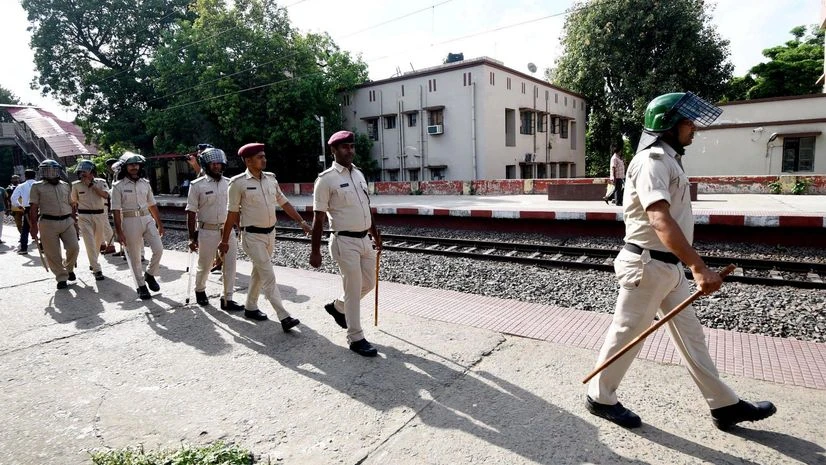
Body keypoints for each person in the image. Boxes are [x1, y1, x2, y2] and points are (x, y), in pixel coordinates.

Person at [585, 92, 776, 431]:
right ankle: (600, 398)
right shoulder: (652, 161)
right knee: (628, 334)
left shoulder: (670, 160)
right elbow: (659, 218)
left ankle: (723, 404)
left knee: (692, 338)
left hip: (668, 267)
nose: (694, 129)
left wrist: (686, 264)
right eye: (688, 122)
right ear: (667, 124)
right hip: (646, 265)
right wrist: (699, 267)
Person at [219, 143, 309, 331]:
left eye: (264, 156)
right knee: (268, 275)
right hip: (251, 236)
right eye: (260, 157)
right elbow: (232, 214)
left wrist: (301, 222)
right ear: (248, 160)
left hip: (270, 234)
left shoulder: (271, 179)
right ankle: (284, 316)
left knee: (259, 272)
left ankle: (250, 307)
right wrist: (225, 240)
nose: (264, 159)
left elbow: (284, 203)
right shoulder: (237, 183)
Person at [309, 130, 383, 357]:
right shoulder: (326, 180)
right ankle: (356, 337)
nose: (349, 150)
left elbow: (365, 208)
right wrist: (315, 251)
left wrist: (375, 234)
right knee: (353, 288)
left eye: (351, 146)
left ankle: (338, 307)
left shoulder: (359, 174)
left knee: (368, 283)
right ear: (333, 150)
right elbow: (318, 218)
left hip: (364, 239)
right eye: (344, 147)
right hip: (344, 241)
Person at [185, 147, 244, 311]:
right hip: (207, 231)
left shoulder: (229, 183)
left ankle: (227, 299)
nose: (217, 166)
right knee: (204, 265)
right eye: (213, 164)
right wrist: (191, 237)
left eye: (219, 163)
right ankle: (200, 290)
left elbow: (235, 210)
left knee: (230, 265)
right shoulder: (197, 185)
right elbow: (191, 213)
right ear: (206, 165)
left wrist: (241, 229)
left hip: (227, 230)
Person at [111, 153, 165, 300]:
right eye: (131, 165)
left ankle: (150, 274)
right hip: (129, 220)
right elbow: (115, 210)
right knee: (135, 256)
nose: (134, 167)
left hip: (147, 218)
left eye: (136, 164)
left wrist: (159, 223)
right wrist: (119, 232)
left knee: (158, 250)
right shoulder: (118, 186)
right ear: (125, 167)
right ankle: (141, 285)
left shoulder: (145, 183)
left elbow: (152, 204)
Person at [28, 160, 79, 289]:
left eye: (53, 170)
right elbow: (33, 208)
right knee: (53, 253)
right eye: (47, 170)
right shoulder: (37, 186)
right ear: (43, 172)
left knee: (74, 247)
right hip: (48, 223)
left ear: (58, 171)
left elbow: (71, 204)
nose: (51, 173)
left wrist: (75, 221)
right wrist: (33, 227)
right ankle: (61, 277)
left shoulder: (65, 185)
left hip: (67, 221)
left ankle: (69, 267)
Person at [70, 160, 110, 280]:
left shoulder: (101, 182)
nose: (82, 174)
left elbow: (106, 195)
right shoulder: (76, 185)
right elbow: (73, 201)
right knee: (89, 242)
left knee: (97, 242)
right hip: (84, 216)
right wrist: (73, 218)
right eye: (80, 172)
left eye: (85, 171)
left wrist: (92, 186)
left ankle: (93, 262)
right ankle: (97, 269)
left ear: (92, 172)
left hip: (99, 215)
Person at [11, 170, 37, 254]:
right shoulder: (40, 184)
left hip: (28, 209)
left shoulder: (21, 186)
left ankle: (24, 248)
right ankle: (43, 246)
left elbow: (13, 199)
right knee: (43, 226)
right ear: (35, 176)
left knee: (25, 228)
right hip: (41, 208)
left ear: (25, 176)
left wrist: (19, 206)